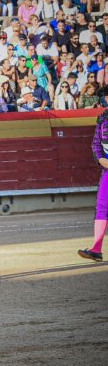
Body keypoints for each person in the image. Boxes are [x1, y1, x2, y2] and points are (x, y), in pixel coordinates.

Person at [77, 108, 108, 261]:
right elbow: (96, 142)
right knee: (102, 206)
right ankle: (96, 249)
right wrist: (100, 159)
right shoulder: (103, 118)